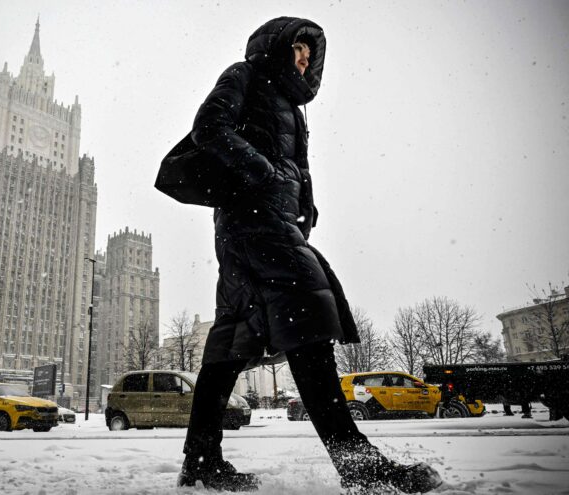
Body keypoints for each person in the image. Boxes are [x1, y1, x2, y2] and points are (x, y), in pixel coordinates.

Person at [174, 17, 443, 493]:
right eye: (298, 48)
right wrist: (259, 171)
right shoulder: (245, 75)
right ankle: (358, 464)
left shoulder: (295, 110)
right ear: (278, 47)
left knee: (230, 342)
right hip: (250, 220)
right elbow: (208, 128)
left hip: (268, 224)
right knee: (309, 317)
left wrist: (306, 204)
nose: (304, 58)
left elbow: (296, 166)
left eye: (309, 54)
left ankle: (201, 462)